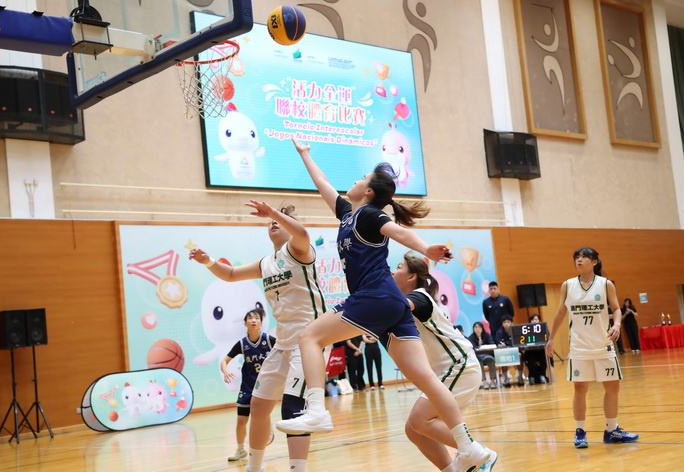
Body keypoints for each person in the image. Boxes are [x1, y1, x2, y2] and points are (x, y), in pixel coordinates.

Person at [275, 139, 495, 472]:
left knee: (309, 337)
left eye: (361, 178)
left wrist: (426, 249)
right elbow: (322, 183)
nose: (354, 180)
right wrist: (305, 154)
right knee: (427, 379)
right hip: (390, 305)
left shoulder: (368, 214)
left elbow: (398, 232)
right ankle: (468, 447)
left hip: (374, 296)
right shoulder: (347, 214)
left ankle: (316, 409)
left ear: (368, 192)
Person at [189, 201, 326, 472]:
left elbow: (302, 233)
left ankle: (298, 468)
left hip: (308, 340)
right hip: (283, 342)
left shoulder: (300, 250)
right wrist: (208, 262)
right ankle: (254, 467)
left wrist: (274, 212)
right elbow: (230, 274)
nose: (274, 223)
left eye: (280, 220)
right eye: (271, 221)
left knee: (292, 406)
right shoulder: (266, 263)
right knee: (259, 405)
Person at [393, 253, 498, 472]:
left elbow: (395, 306)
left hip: (460, 365)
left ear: (411, 276)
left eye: (399, 267)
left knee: (420, 420)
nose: (393, 271)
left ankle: (480, 453)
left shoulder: (419, 297)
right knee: (414, 429)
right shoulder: (415, 299)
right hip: (450, 370)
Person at [545, 247, 640, 449]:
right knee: (580, 389)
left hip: (603, 345)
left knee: (612, 387)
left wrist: (617, 324)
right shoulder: (567, 285)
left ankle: (612, 430)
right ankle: (580, 432)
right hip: (579, 347)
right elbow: (560, 313)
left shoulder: (605, 284)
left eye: (584, 257)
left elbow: (616, 309)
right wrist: (551, 338)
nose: (579, 260)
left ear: (594, 262)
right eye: (577, 257)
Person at [220, 307, 276, 461]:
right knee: (241, 421)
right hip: (247, 387)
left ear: (261, 322)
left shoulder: (269, 340)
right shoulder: (242, 344)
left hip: (264, 386)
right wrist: (226, 371)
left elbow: (284, 353)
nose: (253, 320)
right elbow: (224, 361)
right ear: (245, 323)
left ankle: (268, 429)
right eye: (250, 318)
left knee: (261, 416)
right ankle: (240, 450)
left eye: (257, 318)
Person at [494, 316, 525, 387]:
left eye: (508, 322)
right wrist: (500, 345)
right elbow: (498, 343)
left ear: (511, 323)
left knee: (519, 356)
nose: (506, 324)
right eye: (504, 322)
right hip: (504, 352)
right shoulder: (499, 332)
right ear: (502, 324)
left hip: (516, 351)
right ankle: (506, 378)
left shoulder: (516, 331)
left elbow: (520, 342)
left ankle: (520, 376)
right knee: (503, 358)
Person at [467, 322, 498, 389]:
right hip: (478, 357)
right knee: (479, 362)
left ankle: (493, 381)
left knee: (491, 360)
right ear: (473, 329)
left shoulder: (487, 335)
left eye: (479, 327)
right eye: (476, 327)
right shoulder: (471, 337)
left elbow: (492, 344)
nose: (477, 329)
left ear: (482, 328)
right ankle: (484, 381)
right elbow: (472, 347)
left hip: (487, 355)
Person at [522, 313, 549, 384]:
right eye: (533, 320)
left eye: (536, 319)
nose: (534, 321)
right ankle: (531, 376)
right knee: (530, 360)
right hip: (530, 352)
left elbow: (548, 338)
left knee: (544, 358)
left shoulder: (544, 328)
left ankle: (542, 375)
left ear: (539, 320)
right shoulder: (526, 330)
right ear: (530, 321)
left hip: (541, 350)